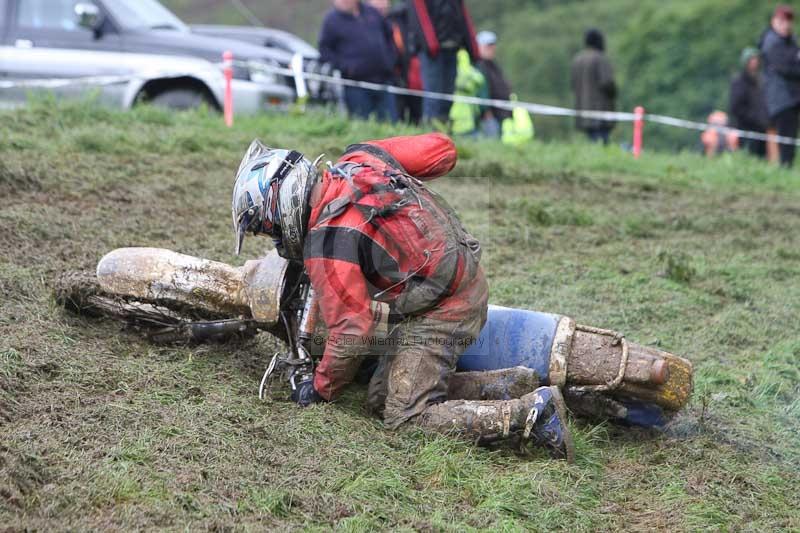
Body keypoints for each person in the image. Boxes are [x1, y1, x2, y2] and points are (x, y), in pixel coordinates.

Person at [231, 134, 574, 461]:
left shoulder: (327, 243)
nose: (274, 237)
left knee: (404, 417)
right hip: (454, 283)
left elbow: (354, 331)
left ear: (282, 206)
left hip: (443, 311)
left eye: (267, 227)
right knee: (380, 398)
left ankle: (530, 413)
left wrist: (320, 389)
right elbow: (443, 151)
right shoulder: (360, 159)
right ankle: (508, 384)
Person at [318, 0, 397, 122]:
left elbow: (389, 36)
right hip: (356, 85)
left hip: (383, 80)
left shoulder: (372, 12)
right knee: (361, 125)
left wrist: (390, 60)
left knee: (390, 123)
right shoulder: (331, 20)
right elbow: (324, 50)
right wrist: (345, 67)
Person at [408, 0, 479, 125]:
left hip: (452, 48)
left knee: (448, 95)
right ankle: (430, 132)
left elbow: (464, 18)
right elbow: (420, 16)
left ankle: (444, 132)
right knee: (434, 96)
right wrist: (431, 46)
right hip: (432, 52)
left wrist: (472, 49)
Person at [370, 0, 423, 124]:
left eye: (384, 3)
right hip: (387, 77)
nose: (382, 5)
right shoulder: (367, 24)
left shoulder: (397, 19)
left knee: (415, 117)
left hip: (408, 75)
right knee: (393, 118)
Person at [759, 4, 800, 166]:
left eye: (789, 21)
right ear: (774, 21)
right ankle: (785, 169)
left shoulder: (789, 41)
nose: (786, 25)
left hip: (791, 97)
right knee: (786, 140)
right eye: (783, 21)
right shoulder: (772, 43)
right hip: (782, 99)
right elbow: (787, 68)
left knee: (789, 138)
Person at [571, 28, 617, 145]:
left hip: (583, 111)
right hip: (600, 112)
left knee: (592, 142)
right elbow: (607, 83)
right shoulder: (600, 59)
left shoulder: (577, 59)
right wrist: (613, 93)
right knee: (601, 143)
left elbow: (573, 85)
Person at [729, 48, 770, 158]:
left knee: (763, 158)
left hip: (762, 128)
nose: (754, 62)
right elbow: (736, 107)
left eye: (756, 59)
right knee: (748, 156)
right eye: (751, 59)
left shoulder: (761, 80)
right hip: (746, 128)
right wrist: (754, 118)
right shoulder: (739, 82)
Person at [475, 30, 512, 138]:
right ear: (479, 47)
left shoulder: (493, 66)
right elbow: (481, 90)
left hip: (500, 114)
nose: (492, 49)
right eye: (488, 46)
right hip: (488, 116)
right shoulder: (479, 66)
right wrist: (486, 111)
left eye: (492, 45)